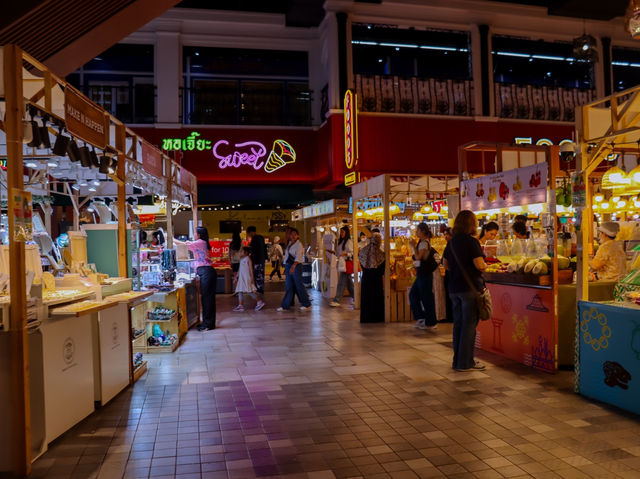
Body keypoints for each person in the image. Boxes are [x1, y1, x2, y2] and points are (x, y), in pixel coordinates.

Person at [443, 210, 487, 371]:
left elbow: (445, 264)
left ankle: (458, 361)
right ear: (472, 224)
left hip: (454, 289)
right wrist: (485, 265)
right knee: (469, 326)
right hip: (470, 289)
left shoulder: (451, 242)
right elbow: (479, 264)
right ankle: (465, 363)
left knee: (458, 325)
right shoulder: (471, 242)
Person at [175, 226, 216, 331]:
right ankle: (208, 323)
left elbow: (184, 244)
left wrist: (170, 238)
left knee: (207, 299)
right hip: (206, 272)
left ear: (199, 234)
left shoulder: (200, 242)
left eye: (195, 233)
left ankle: (208, 325)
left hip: (206, 271)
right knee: (207, 299)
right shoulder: (201, 242)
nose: (194, 234)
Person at [409, 223, 438, 330]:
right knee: (414, 294)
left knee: (426, 297)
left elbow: (418, 257)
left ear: (422, 231)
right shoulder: (422, 243)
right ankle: (422, 318)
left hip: (425, 273)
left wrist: (412, 246)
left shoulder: (424, 243)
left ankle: (431, 321)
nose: (416, 232)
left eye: (417, 230)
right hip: (422, 273)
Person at [278, 228, 312, 312]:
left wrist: (293, 266)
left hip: (296, 266)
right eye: (291, 234)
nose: (293, 236)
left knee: (299, 285)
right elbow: (286, 256)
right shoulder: (289, 243)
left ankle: (307, 304)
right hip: (289, 266)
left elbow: (298, 257)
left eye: (295, 234)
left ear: (298, 236)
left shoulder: (298, 244)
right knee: (289, 286)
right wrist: (285, 264)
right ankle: (285, 305)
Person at [359, 233, 385, 323]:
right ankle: (377, 318)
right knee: (376, 299)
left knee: (366, 299)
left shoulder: (363, 251)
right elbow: (382, 270)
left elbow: (362, 265)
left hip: (366, 279)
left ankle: (366, 318)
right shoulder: (381, 254)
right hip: (376, 281)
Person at [233, 246, 265, 312]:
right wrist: (236, 277)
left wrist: (252, 278)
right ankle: (240, 305)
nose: (240, 252)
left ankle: (259, 302)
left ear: (246, 252)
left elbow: (251, 270)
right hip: (241, 278)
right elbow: (240, 269)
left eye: (242, 251)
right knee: (240, 290)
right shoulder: (241, 259)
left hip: (247, 278)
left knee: (249, 291)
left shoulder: (248, 259)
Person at [330, 226, 354, 307]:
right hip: (342, 264)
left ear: (346, 232)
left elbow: (352, 253)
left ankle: (337, 300)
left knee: (341, 283)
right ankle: (356, 298)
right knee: (349, 284)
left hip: (346, 264)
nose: (341, 234)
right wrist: (334, 252)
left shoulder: (349, 241)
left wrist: (346, 254)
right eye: (341, 232)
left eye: (343, 232)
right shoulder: (341, 242)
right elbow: (338, 253)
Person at [247, 226, 266, 300]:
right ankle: (261, 290)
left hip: (257, 260)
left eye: (249, 233)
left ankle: (258, 290)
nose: (249, 235)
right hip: (262, 260)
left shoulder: (254, 238)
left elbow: (253, 250)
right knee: (261, 275)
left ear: (251, 232)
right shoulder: (261, 237)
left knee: (257, 275)